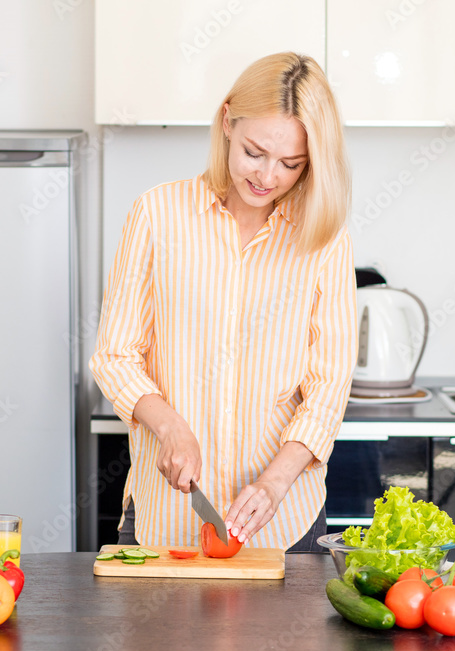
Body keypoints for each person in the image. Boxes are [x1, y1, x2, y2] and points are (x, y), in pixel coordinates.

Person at [90, 52, 356, 551]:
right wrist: (170, 428)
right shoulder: (157, 215)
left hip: (284, 524)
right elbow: (114, 356)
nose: (268, 176)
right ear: (227, 121)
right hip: (165, 520)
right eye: (255, 152)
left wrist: (275, 482)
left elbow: (329, 384)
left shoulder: (324, 238)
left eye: (291, 164)